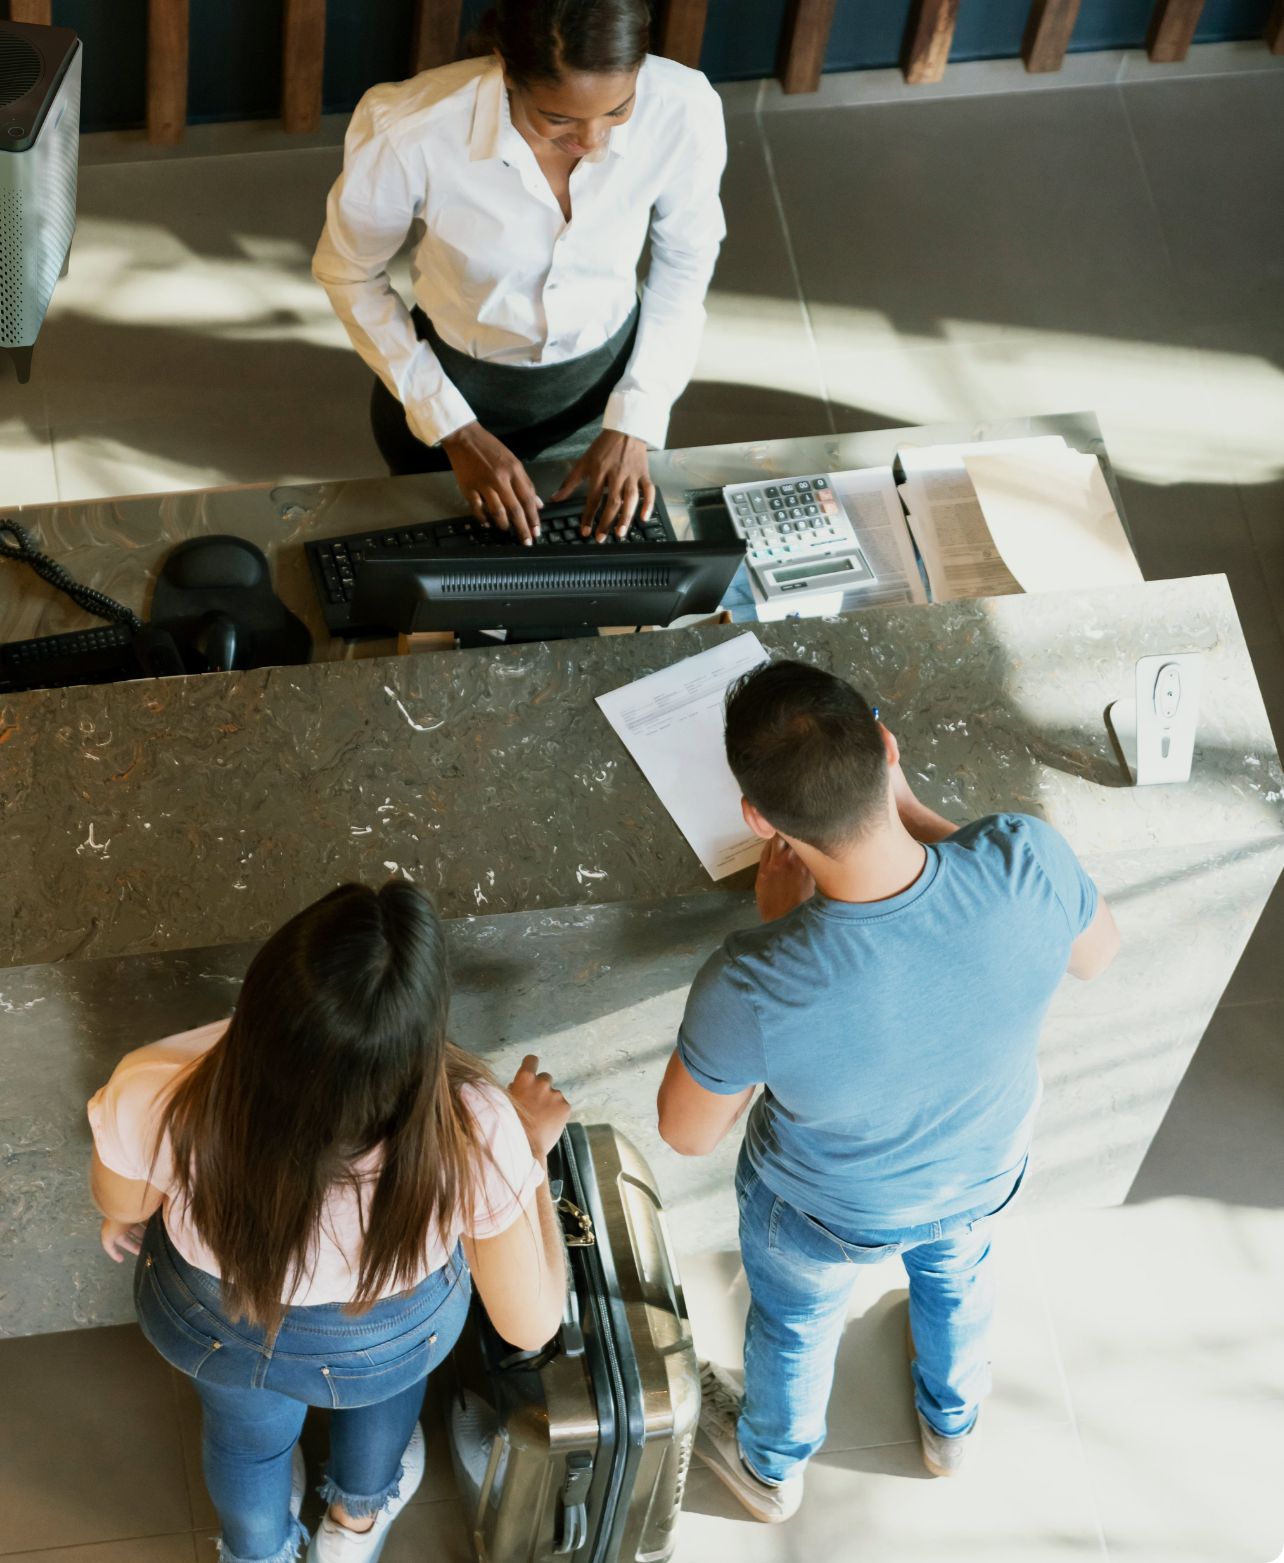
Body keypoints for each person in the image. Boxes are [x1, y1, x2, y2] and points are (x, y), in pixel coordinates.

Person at [656, 660, 1120, 1523]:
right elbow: (1095, 953)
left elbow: (687, 1135)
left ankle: (770, 1468)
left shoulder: (753, 980)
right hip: (983, 1173)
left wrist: (781, 930)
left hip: (828, 1214)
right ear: (887, 747)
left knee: (795, 1326)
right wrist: (909, 814)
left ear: (760, 820)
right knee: (958, 1277)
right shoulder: (1027, 856)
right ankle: (952, 1428)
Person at [88, 881, 573, 1563]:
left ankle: (257, 1553)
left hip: (210, 1313)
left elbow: (123, 1205)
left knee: (243, 1443)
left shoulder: (158, 1082)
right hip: (382, 1330)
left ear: (265, 992)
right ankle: (353, 1527)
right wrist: (526, 1152)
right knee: (382, 1408)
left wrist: (121, 1221)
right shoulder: (477, 1124)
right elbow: (531, 1323)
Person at [312, 0, 726, 546]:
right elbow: (348, 272)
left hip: (604, 395)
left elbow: (685, 263)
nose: (591, 140)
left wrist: (635, 421)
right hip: (451, 389)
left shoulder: (683, 107)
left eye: (618, 110)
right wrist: (452, 428)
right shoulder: (410, 129)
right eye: (558, 118)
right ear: (507, 71)